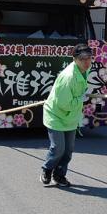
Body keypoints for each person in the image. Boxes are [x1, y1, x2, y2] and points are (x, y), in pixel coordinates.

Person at [39, 44, 93, 187]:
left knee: (68, 150)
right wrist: (81, 99)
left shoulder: (84, 70)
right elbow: (64, 104)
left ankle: (59, 175)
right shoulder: (68, 76)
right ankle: (47, 169)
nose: (87, 62)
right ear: (74, 59)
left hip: (71, 116)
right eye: (83, 59)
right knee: (58, 148)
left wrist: (81, 96)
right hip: (56, 114)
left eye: (89, 58)